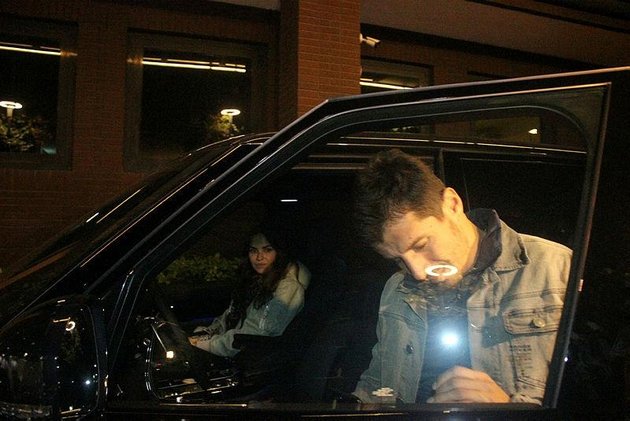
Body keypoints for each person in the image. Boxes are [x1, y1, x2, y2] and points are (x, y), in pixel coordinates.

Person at [352, 149, 571, 405]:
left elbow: (595, 393)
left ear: (452, 204)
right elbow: (379, 384)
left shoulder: (557, 269)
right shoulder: (396, 290)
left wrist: (507, 409)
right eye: (398, 259)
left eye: (421, 245)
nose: (417, 272)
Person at [189, 228, 310, 357]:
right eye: (253, 251)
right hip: (233, 350)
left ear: (279, 253)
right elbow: (229, 318)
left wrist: (206, 344)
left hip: (254, 359)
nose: (259, 257)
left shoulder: (287, 288)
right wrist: (204, 335)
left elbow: (252, 336)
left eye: (267, 250)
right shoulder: (255, 280)